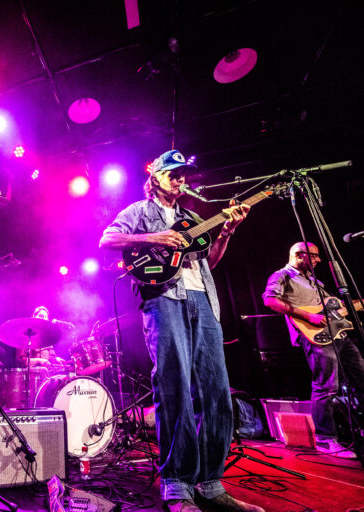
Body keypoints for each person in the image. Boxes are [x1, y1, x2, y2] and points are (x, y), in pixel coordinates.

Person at [100, 150, 262, 512]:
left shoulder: (192, 218)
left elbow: (211, 262)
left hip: (203, 300)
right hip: (164, 299)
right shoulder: (138, 212)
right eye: (172, 173)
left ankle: (210, 482)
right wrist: (156, 238)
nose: (180, 179)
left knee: (217, 389)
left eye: (183, 174)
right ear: (155, 176)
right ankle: (176, 483)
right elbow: (107, 240)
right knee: (173, 385)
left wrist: (227, 232)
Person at [262, 241, 364, 460]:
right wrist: (309, 316)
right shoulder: (282, 276)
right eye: (315, 256)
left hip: (340, 336)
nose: (318, 260)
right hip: (315, 336)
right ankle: (326, 439)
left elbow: (339, 308)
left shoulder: (314, 281)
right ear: (299, 255)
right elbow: (270, 300)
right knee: (326, 387)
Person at [15, 306, 72, 373]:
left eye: (45, 317)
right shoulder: (25, 336)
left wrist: (57, 360)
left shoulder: (47, 339)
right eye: (41, 316)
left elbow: (51, 358)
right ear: (34, 317)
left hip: (45, 376)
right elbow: (20, 361)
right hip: (29, 376)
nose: (43, 319)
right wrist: (39, 361)